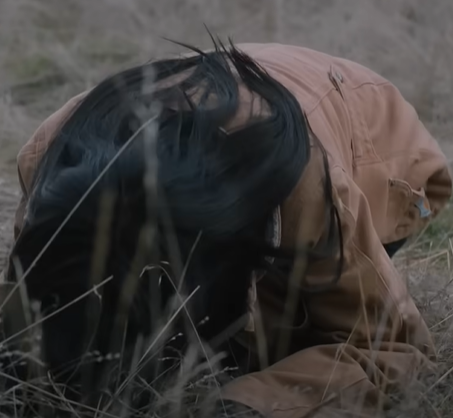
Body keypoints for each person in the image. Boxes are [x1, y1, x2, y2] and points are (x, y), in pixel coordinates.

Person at [2, 39, 452, 417]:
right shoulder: (52, 159)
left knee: (271, 348)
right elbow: (32, 320)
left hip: (379, 142)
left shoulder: (307, 184)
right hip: (230, 128)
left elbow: (394, 350)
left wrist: (242, 407)